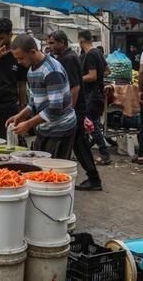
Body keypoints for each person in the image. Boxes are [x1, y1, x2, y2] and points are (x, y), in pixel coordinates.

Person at [6, 34, 76, 159]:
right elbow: (34, 102)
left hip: (60, 128)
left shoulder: (52, 71)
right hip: (44, 127)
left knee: (53, 168)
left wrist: (28, 124)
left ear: (33, 52)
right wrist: (20, 116)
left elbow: (55, 108)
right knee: (38, 164)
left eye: (21, 58)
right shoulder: (31, 70)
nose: (19, 62)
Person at [47, 31, 101, 191]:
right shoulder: (66, 57)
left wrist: (69, 110)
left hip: (75, 109)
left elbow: (75, 87)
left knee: (79, 143)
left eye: (52, 43)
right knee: (77, 143)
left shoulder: (69, 59)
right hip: (75, 109)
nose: (50, 47)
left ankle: (93, 178)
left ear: (62, 42)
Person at [79, 30, 111, 165]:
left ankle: (105, 154)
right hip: (98, 94)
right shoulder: (98, 52)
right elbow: (107, 70)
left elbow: (92, 76)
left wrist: (77, 79)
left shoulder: (91, 54)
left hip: (92, 95)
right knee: (93, 124)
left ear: (80, 40)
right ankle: (85, 151)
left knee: (91, 125)